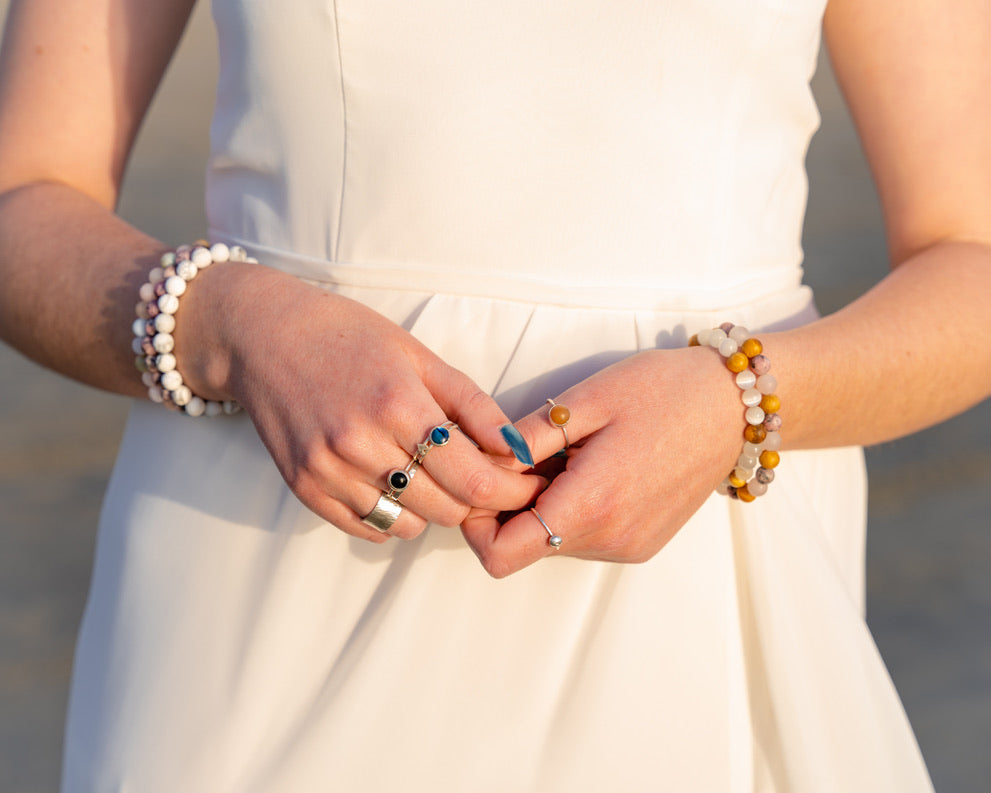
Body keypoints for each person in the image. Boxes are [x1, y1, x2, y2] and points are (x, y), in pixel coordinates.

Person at [0, 0, 987, 790]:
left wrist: (734, 399)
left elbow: (968, 258)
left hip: (691, 589)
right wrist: (234, 324)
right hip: (265, 569)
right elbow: (25, 195)